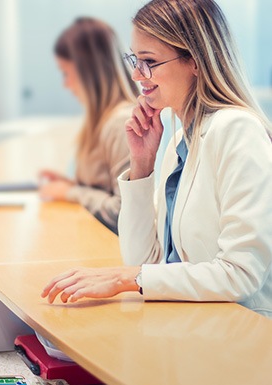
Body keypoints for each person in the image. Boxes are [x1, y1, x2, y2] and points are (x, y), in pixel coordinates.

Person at [41, 0, 272, 318]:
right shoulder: (179, 140)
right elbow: (143, 262)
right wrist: (142, 165)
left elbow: (241, 274)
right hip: (196, 324)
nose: (137, 75)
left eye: (148, 61)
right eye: (135, 60)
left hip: (244, 332)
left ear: (195, 61)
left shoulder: (237, 130)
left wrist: (125, 279)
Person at [38, 17, 138, 234]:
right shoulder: (104, 119)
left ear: (88, 71)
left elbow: (123, 210)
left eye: (66, 73)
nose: (65, 84)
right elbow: (106, 188)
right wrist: (73, 184)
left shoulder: (122, 122)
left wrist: (71, 192)